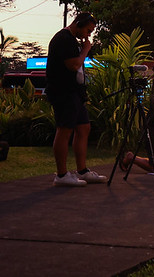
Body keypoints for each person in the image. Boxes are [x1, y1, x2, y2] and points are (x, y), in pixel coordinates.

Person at [45, 12, 107, 187]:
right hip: (63, 91)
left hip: (74, 92)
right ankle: (62, 174)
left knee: (83, 127)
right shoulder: (63, 39)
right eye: (88, 30)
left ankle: (82, 170)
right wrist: (86, 50)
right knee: (64, 129)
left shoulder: (72, 40)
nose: (88, 35)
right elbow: (73, 65)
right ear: (78, 24)